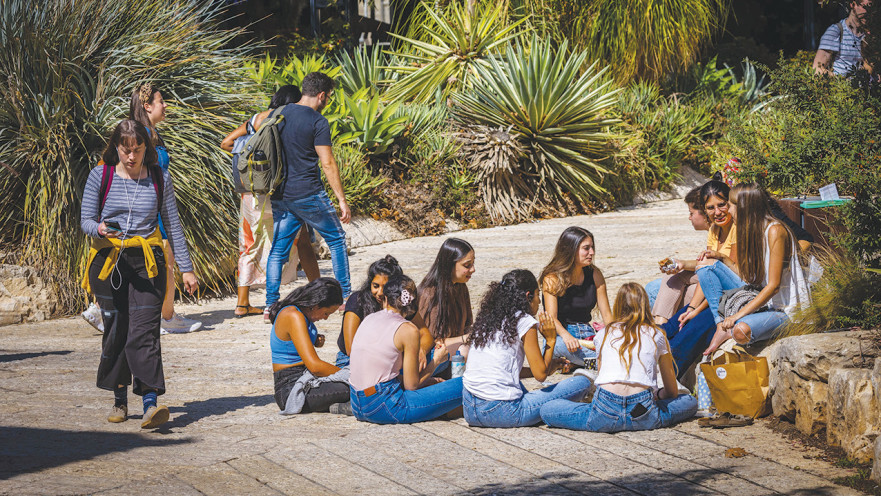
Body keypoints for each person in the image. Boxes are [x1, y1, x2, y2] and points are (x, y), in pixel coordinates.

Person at [80, 119, 199, 428]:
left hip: (148, 262)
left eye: (137, 150)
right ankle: (119, 400)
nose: (131, 157)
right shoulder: (100, 175)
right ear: (116, 148)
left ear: (147, 148)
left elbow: (173, 225)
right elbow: (86, 220)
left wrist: (186, 268)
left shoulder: (160, 178)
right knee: (117, 329)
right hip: (109, 261)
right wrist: (101, 228)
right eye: (125, 150)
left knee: (144, 331)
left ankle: (150, 404)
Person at [540, 283, 698, 432]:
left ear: (618, 306)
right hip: (643, 411)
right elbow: (671, 392)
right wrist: (658, 395)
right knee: (690, 402)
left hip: (605, 410)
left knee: (548, 409)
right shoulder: (656, 334)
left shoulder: (603, 334)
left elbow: (602, 376)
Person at [220, 85, 320, 319]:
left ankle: (242, 303)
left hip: (251, 192)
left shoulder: (256, 120)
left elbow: (226, 143)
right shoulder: (291, 120)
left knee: (249, 245)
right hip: (280, 191)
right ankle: (320, 291)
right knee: (302, 240)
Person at [265, 72, 352, 314]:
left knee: (278, 250)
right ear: (322, 95)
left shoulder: (277, 113)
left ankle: (270, 304)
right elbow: (328, 163)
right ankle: (345, 295)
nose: (327, 102)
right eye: (329, 98)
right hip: (308, 193)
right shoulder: (317, 121)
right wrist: (342, 200)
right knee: (336, 239)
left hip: (280, 193)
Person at [463, 269, 591, 428]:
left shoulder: (489, 317)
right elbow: (541, 376)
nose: (539, 301)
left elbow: (504, 370)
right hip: (503, 411)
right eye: (538, 295)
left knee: (537, 394)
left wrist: (548, 366)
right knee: (581, 383)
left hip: (470, 408)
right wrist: (550, 339)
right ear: (528, 296)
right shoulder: (525, 322)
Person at [698, 183, 811, 355]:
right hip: (765, 301)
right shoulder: (751, 230)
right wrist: (722, 258)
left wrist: (737, 316)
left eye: (730, 205)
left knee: (741, 331)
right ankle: (720, 326)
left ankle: (732, 327)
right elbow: (749, 278)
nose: (727, 210)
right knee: (705, 268)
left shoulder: (775, 230)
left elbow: (773, 286)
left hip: (786, 311)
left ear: (743, 207)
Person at [129, 82, 202, 334]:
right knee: (166, 262)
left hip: (151, 204)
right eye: (161, 101)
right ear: (147, 106)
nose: (166, 105)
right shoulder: (145, 136)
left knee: (160, 262)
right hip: (153, 207)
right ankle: (167, 317)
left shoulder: (144, 133)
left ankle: (162, 315)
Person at [348, 275, 463, 424]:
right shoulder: (408, 329)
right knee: (466, 383)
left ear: (385, 299)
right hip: (386, 405)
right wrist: (435, 361)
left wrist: (429, 379)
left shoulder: (369, 319)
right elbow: (411, 386)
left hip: (357, 404)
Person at [269, 277, 352, 414]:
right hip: (291, 387)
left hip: (305, 376)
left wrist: (314, 338)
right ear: (315, 305)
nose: (325, 318)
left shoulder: (301, 314)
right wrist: (348, 375)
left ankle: (339, 405)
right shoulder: (293, 315)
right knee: (354, 386)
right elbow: (315, 366)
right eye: (326, 313)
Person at [539, 227, 613, 370]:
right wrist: (567, 336)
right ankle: (599, 365)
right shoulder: (552, 278)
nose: (591, 252)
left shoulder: (595, 274)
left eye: (592, 247)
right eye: (586, 248)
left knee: (612, 350)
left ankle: (577, 365)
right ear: (570, 250)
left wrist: (615, 338)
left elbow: (607, 314)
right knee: (602, 361)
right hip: (561, 336)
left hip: (586, 335)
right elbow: (551, 318)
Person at [644, 186, 709, 322]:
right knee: (663, 286)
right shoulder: (714, 234)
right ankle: (660, 329)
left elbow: (710, 267)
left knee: (655, 289)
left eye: (691, 213)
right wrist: (682, 264)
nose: (689, 218)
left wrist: (683, 265)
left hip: (717, 281)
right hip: (707, 278)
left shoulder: (721, 233)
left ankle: (660, 329)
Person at [417, 237, 475, 376]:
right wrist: (465, 339)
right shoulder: (430, 294)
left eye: (473, 264)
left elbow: (467, 326)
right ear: (450, 265)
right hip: (432, 357)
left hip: (452, 351)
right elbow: (431, 342)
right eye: (467, 266)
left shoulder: (460, 287)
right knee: (464, 351)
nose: (473, 270)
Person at [335, 255, 403, 367]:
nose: (380, 292)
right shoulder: (357, 301)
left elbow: (424, 334)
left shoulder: (400, 302)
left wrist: (420, 351)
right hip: (354, 361)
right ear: (370, 283)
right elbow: (351, 349)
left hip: (391, 358)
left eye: (385, 287)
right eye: (376, 286)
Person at [813, 0, 870, 76]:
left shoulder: (870, 35)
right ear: (853, 5)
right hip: (843, 86)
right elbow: (817, 69)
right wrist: (844, 82)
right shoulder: (835, 32)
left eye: (872, 8)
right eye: (865, 7)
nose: (868, 12)